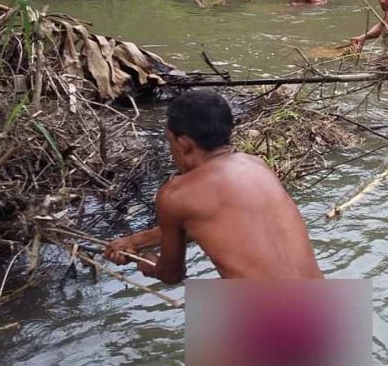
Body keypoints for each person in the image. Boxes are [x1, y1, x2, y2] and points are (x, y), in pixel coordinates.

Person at [104, 90, 323, 281]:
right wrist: (135, 241)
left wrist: (146, 261)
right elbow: (208, 222)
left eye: (170, 141)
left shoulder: (175, 194)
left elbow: (172, 275)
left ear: (183, 144)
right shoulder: (256, 165)